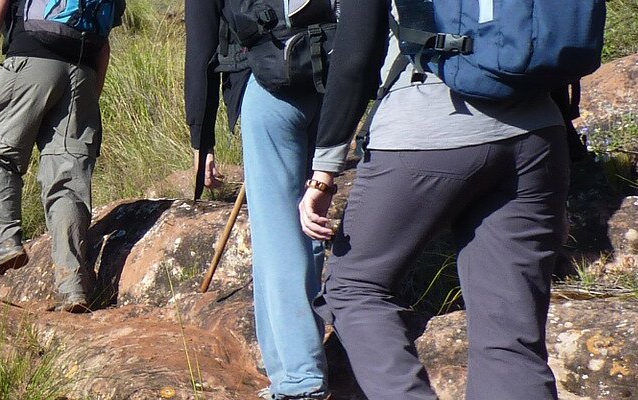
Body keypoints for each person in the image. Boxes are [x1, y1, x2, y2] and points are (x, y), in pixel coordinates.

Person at [303, 0, 588, 398]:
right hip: (537, 135)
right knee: (511, 332)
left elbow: (355, 56)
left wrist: (323, 173)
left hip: (424, 132)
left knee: (353, 288)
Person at [184, 0, 335, 397]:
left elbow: (201, 50)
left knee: (279, 235)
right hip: (330, 79)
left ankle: (300, 376)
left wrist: (202, 139)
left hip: (268, 89)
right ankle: (295, 361)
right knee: (308, 223)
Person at [0, 0, 126, 313]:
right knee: (68, 181)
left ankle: (4, 239)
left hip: (31, 61)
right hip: (84, 73)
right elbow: (104, 46)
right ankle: (73, 287)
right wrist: (88, 98)